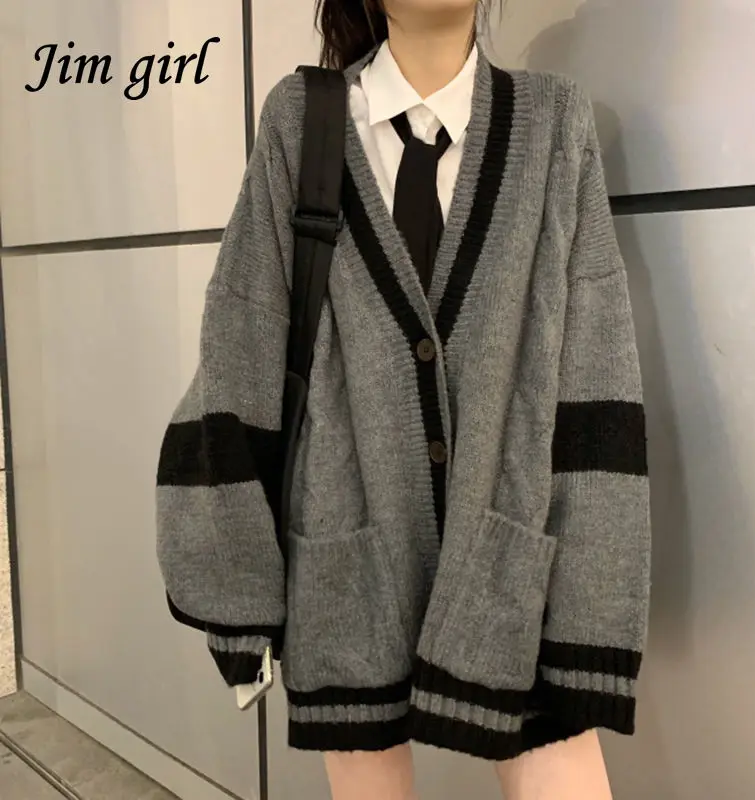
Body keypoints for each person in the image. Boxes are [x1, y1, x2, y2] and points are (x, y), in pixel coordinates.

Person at [155, 0, 652, 797]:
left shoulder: (553, 125)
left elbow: (595, 372)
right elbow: (240, 345)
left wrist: (590, 610)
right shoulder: (303, 122)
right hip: (348, 562)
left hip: (509, 558)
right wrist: (238, 593)